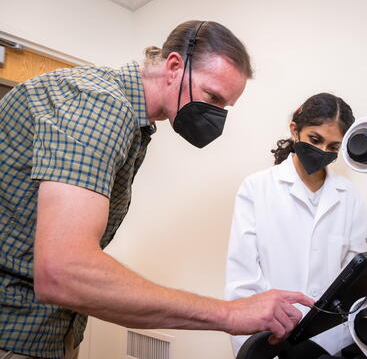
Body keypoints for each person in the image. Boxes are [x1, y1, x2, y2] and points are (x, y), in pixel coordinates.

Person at [0, 20, 313, 359]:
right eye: (212, 97)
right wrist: (231, 313)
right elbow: (64, 271)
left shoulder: (134, 123)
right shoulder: (98, 103)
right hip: (13, 333)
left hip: (50, 333)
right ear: (174, 66)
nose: (216, 115)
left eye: (225, 107)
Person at [225, 93, 367, 357]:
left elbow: (354, 280)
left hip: (329, 342)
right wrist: (251, 347)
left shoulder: (348, 196)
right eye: (315, 140)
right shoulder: (256, 188)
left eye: (333, 147)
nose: (323, 151)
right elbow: (242, 278)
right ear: (295, 130)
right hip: (270, 338)